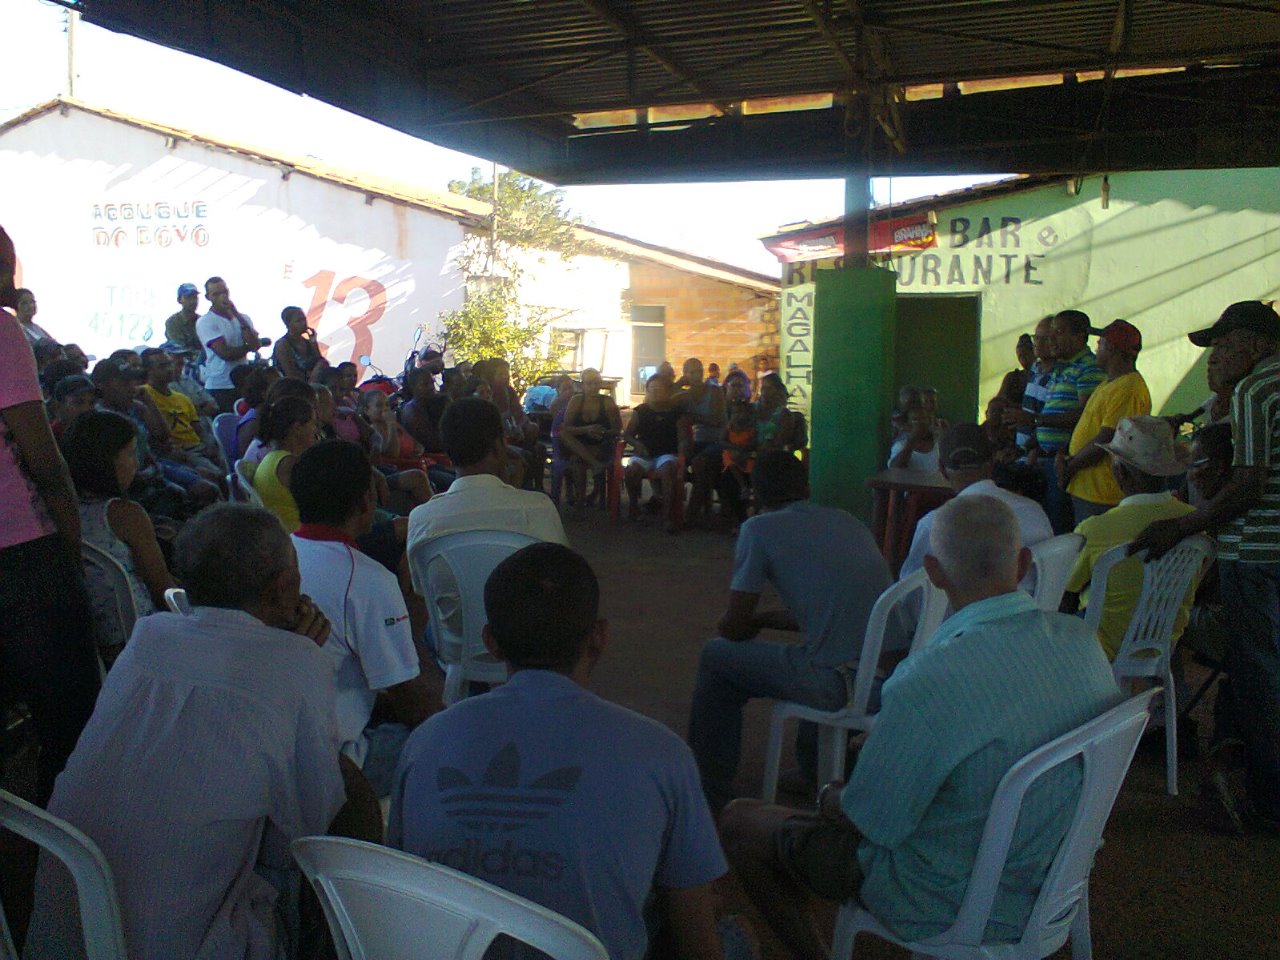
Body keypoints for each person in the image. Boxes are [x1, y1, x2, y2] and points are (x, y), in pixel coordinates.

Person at [718, 495, 1121, 960]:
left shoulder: (927, 678)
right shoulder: (1082, 643)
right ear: (1024, 562)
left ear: (933, 572)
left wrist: (829, 794)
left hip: (944, 900)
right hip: (1053, 880)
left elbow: (869, 822)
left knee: (741, 822)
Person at [25, 504, 344, 960]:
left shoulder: (149, 636)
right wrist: (298, 657)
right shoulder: (299, 662)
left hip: (64, 932)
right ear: (283, 584)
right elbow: (306, 826)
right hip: (182, 943)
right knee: (347, 806)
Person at [390, 543, 729, 960]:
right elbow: (697, 938)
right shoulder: (662, 753)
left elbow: (403, 880)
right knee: (726, 928)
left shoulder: (426, 741)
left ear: (491, 642)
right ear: (599, 637)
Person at [1130, 301, 1280, 832]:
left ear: (1257, 345)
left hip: (1257, 554)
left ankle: (1268, 805)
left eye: (1224, 344)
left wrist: (1181, 527)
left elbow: (1249, 484)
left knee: (1262, 680)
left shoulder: (1255, 390)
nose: (1216, 356)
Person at [688, 451, 892, 815]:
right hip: (889, 677)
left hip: (839, 683)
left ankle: (708, 793)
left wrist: (748, 622)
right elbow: (832, 611)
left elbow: (733, 626)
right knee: (815, 648)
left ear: (756, 493)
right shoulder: (848, 521)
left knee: (716, 656)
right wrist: (767, 618)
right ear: (807, 487)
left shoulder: (758, 529)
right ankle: (817, 771)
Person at [0, 225, 99, 803]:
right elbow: (43, 459)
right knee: (70, 721)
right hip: (20, 552)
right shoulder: (3, 330)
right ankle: (62, 844)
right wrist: (69, 558)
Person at [291, 440, 439, 797]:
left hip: (280, 741)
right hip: (336, 763)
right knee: (445, 744)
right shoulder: (367, 579)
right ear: (365, 502)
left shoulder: (282, 551)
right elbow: (410, 699)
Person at [406, 397, 566, 639]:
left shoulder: (422, 518)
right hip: (529, 643)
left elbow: (422, 590)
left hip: (458, 647)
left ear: (448, 452)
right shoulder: (539, 507)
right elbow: (562, 575)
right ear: (498, 447)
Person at [1062, 416, 1195, 659]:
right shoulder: (1193, 522)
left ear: (1119, 471)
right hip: (1162, 644)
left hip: (1101, 650)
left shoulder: (1094, 529)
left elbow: (1065, 596)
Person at [62, 410, 173, 666]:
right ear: (106, 461)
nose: (136, 463)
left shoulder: (62, 514)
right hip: (142, 636)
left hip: (93, 644)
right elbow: (162, 589)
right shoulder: (124, 514)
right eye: (131, 454)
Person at [897, 423, 1053, 584]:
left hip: (963, 602)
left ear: (942, 468)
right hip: (1037, 600)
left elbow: (910, 591)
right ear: (992, 463)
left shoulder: (933, 525)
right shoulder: (1034, 512)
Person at [1059, 320, 1152, 524]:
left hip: (1103, 493)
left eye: (1099, 343)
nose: (1096, 348)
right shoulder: (1110, 382)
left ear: (1111, 348)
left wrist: (1070, 466)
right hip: (1088, 488)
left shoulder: (1128, 388)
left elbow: (1107, 439)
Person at [1032, 309, 1107, 533]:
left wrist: (1036, 420)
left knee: (1062, 530)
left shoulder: (1088, 367)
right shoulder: (1062, 366)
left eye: (1059, 333)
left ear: (1080, 337)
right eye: (1050, 333)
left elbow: (1084, 417)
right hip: (1047, 459)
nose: (1051, 340)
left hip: (1067, 462)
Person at [559, 367, 623, 514]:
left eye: (596, 383)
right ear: (582, 385)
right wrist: (586, 429)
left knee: (578, 460)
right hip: (579, 444)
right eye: (589, 383)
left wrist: (601, 432)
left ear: (601, 384)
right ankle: (582, 497)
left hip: (600, 444)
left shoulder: (607, 402)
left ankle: (582, 501)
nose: (593, 387)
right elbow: (566, 428)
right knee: (565, 438)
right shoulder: (576, 401)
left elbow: (617, 430)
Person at [623, 373, 683, 528]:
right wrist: (637, 444)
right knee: (631, 470)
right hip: (644, 454)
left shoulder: (676, 412)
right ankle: (634, 508)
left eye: (659, 388)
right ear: (647, 390)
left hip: (667, 454)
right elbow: (627, 435)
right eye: (652, 388)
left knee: (668, 469)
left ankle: (666, 514)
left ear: (667, 390)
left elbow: (683, 437)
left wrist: (682, 455)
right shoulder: (640, 411)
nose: (655, 392)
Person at [197, 275, 264, 411]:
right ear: (208, 297)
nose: (222, 297)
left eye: (224, 292)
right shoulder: (206, 321)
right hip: (220, 385)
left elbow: (255, 344)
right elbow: (226, 354)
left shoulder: (243, 318)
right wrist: (248, 348)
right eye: (216, 294)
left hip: (244, 382)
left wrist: (236, 314)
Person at [251, 394, 318, 531]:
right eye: (312, 424)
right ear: (297, 428)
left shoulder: (272, 458)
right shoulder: (289, 464)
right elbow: (318, 504)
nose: (315, 430)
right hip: (296, 532)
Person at [679, 357, 728, 524]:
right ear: (685, 374)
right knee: (674, 460)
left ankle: (691, 514)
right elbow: (665, 402)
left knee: (700, 464)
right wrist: (678, 385)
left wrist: (693, 417)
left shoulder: (714, 391)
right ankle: (676, 508)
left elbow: (718, 421)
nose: (697, 375)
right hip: (697, 442)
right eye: (692, 372)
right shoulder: (685, 395)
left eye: (699, 371)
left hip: (717, 441)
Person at [272, 304, 329, 381]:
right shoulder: (283, 345)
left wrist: (314, 343)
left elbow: (319, 361)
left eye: (304, 319)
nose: (304, 323)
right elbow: (290, 373)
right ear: (288, 324)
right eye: (298, 321)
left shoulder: (307, 343)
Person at [887, 398, 939, 471]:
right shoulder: (900, 446)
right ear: (908, 425)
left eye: (924, 419)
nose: (921, 423)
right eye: (915, 420)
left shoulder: (938, 442)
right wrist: (913, 440)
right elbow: (894, 469)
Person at [49, 373, 98, 438]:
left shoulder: (97, 436)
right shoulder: (47, 438)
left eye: (92, 403)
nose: (87, 409)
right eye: (79, 402)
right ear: (58, 407)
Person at [164, 282, 204, 358]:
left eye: (195, 297)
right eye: (188, 298)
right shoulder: (173, 322)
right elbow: (179, 348)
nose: (193, 301)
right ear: (179, 300)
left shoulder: (202, 321)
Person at [996, 332, 1035, 407]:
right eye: (1020, 356)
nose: (1023, 359)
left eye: (1026, 354)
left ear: (1034, 353)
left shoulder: (1041, 377)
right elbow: (999, 400)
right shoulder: (1012, 377)